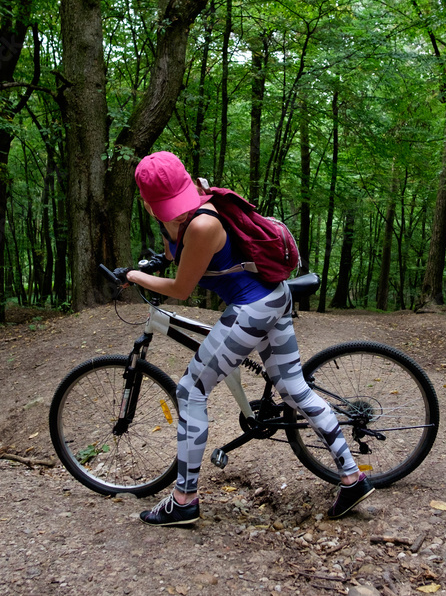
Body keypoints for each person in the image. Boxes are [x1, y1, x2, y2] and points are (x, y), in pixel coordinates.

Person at [126, 151, 373, 527]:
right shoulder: (181, 216)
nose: (172, 211)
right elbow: (180, 258)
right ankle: (353, 478)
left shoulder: (202, 223)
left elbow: (181, 288)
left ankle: (184, 499)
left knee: (190, 390)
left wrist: (134, 276)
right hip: (273, 297)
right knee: (293, 390)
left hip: (252, 306)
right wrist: (159, 253)